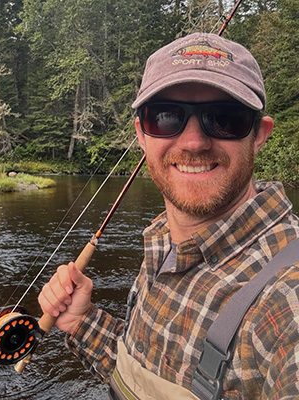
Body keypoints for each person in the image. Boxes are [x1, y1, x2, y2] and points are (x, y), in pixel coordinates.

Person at [37, 32, 299, 399]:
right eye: (166, 117)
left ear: (259, 134)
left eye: (224, 118)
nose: (193, 142)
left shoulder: (285, 299)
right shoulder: (162, 241)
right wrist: (82, 323)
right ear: (142, 135)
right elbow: (148, 374)